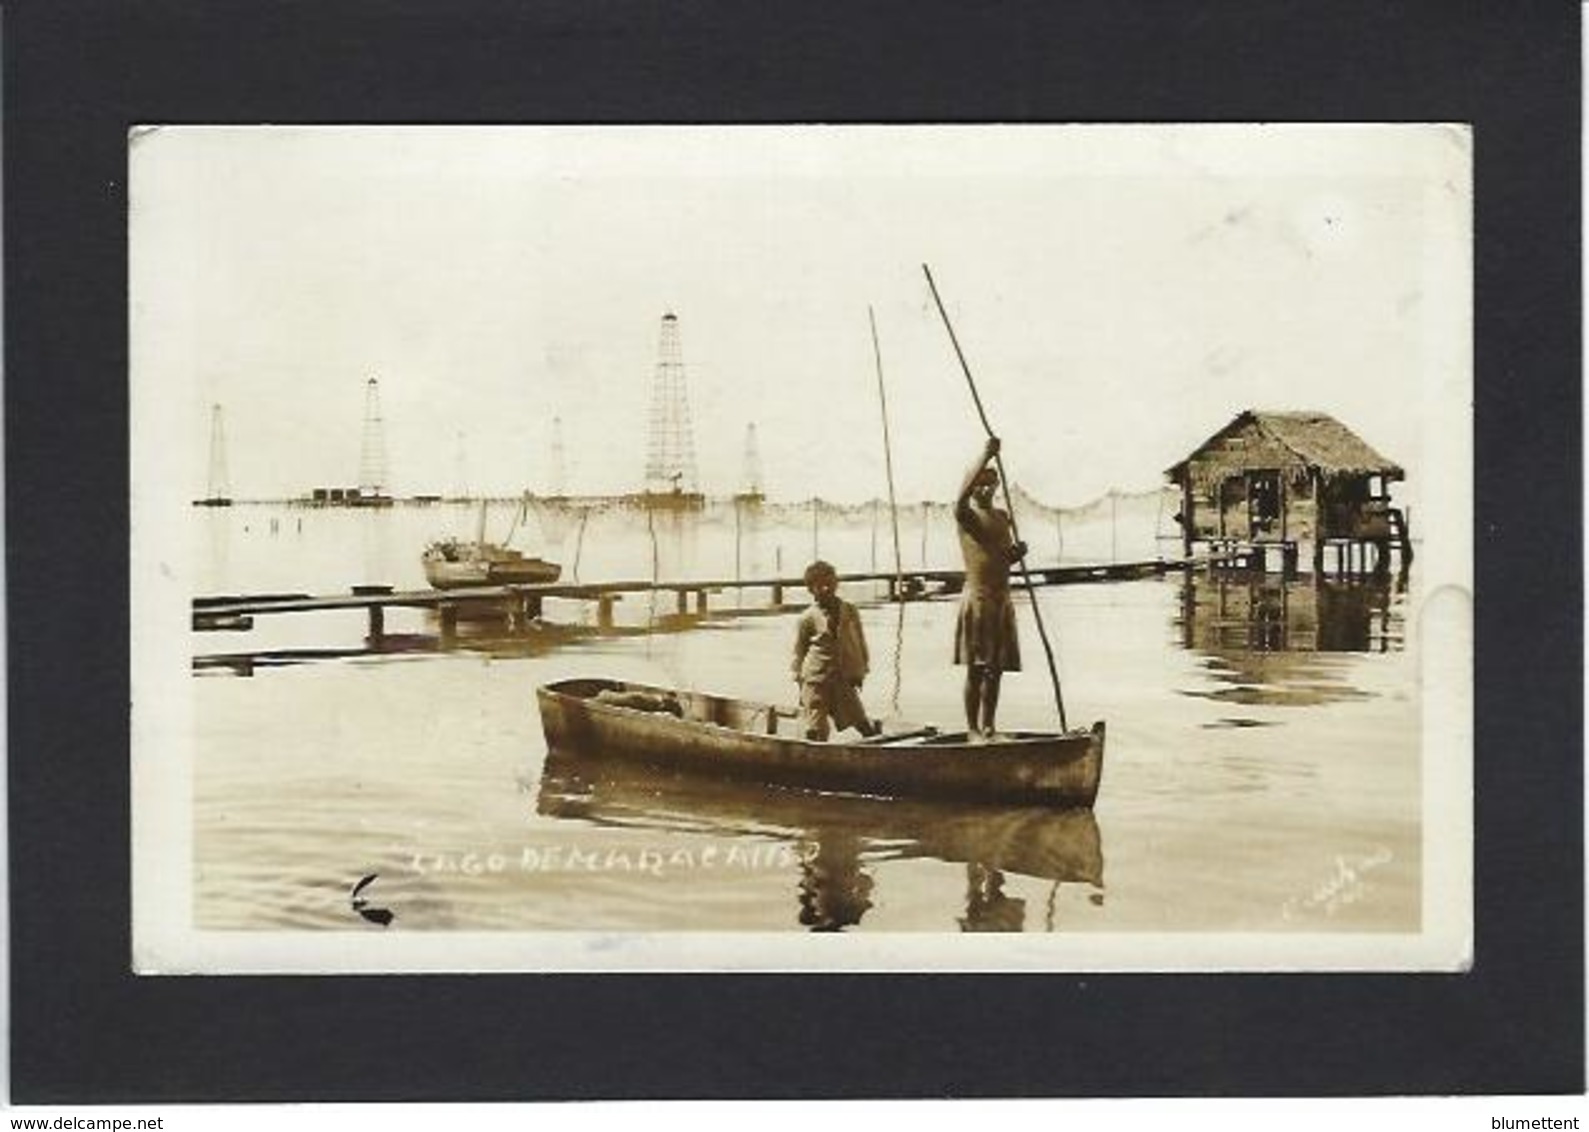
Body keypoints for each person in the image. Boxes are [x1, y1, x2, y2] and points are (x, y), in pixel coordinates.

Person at [954, 436, 1027, 738]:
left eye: (990, 484)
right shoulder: (966, 515)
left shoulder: (1001, 517)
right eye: (979, 484)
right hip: (979, 600)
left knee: (995, 670)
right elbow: (960, 497)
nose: (985, 489)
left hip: (1001, 601)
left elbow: (999, 559)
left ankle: (988, 726)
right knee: (977, 668)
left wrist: (1015, 555)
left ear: (997, 487)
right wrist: (985, 456)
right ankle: (972, 728)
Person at [791, 560, 879, 741]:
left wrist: (860, 671)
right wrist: (799, 681)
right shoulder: (807, 618)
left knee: (861, 721)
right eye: (819, 586)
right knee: (816, 729)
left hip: (842, 677)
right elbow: (798, 653)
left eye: (829, 584)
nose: (825, 589)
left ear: (836, 584)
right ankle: (814, 759)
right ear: (810, 589)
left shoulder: (850, 610)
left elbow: (859, 643)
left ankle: (876, 750)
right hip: (816, 680)